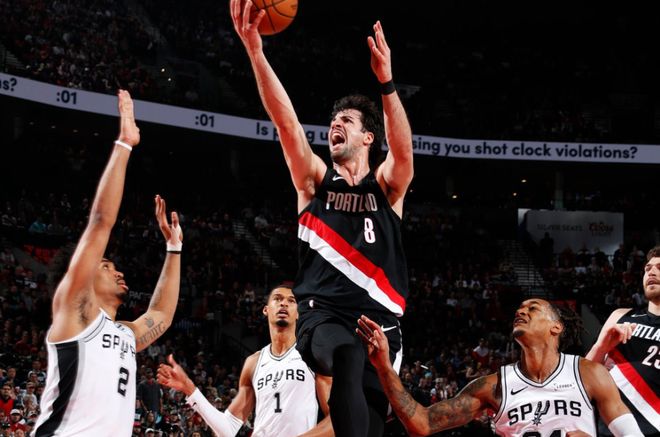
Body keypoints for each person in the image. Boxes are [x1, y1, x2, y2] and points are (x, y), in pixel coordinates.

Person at [230, 2, 414, 436]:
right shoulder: (314, 182)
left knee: (372, 422)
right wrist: (255, 51)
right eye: (333, 120)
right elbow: (286, 124)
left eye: (346, 120)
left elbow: (403, 150)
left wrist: (387, 83)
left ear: (368, 138)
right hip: (323, 315)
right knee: (347, 355)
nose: (335, 124)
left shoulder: (387, 188)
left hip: (383, 323)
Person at [32, 90, 183, 436]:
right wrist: (124, 144)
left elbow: (161, 315)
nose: (118, 271)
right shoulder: (75, 313)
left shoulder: (124, 334)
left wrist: (173, 248)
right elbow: (101, 222)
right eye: (105, 266)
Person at [358, 298, 645, 436]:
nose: (521, 311)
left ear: (556, 327)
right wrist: (384, 366)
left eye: (532, 308)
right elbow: (422, 423)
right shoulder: (493, 386)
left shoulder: (588, 373)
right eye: (519, 308)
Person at [156, 285, 333, 437]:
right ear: (266, 310)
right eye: (277, 299)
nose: (284, 303)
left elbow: (337, 421)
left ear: (298, 313)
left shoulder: (313, 354)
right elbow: (228, 429)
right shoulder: (253, 362)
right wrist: (189, 389)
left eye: (291, 300)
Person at [586, 245, 660, 436]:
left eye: (659, 268)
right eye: (648, 268)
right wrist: (600, 347)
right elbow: (584, 378)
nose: (651, 272)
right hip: (610, 428)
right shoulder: (621, 316)